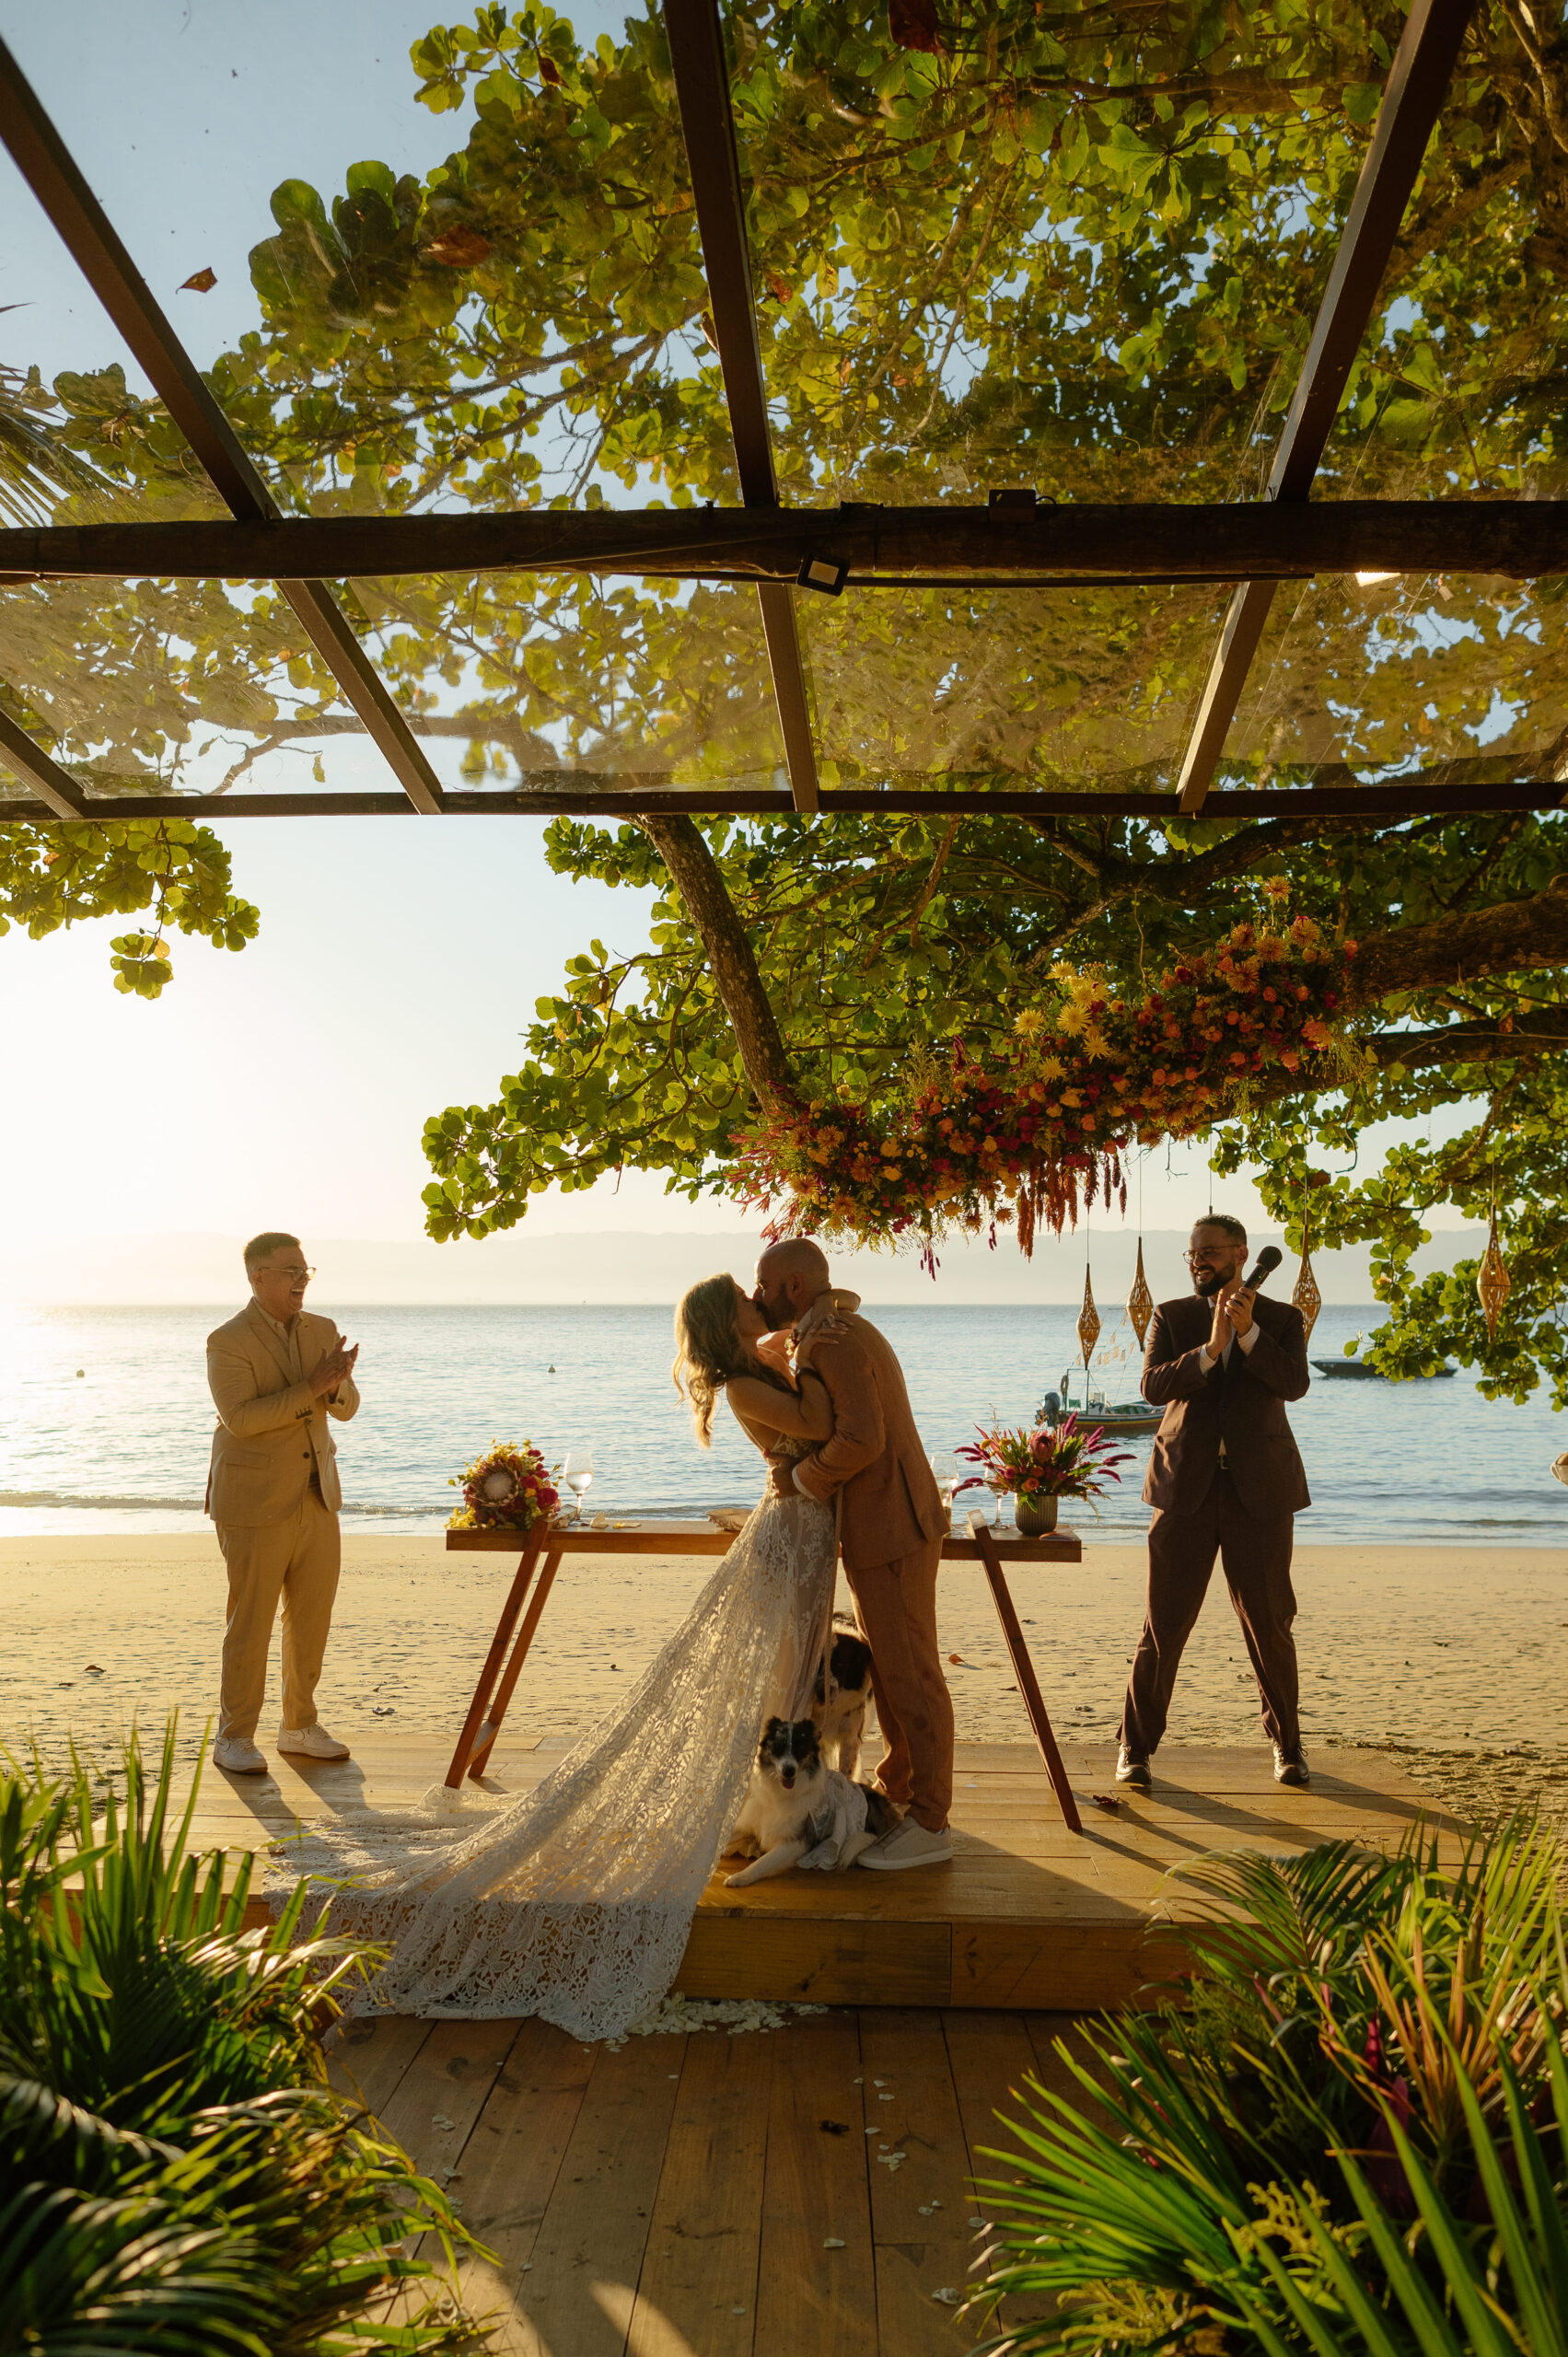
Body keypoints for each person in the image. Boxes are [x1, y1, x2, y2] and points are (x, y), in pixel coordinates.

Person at [309, 1275, 842, 2043]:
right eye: (743, 1296)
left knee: (789, 1678)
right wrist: (819, 1343)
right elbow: (821, 1422)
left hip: (804, 1527)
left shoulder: (760, 1365)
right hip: (790, 1534)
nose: (756, 1298)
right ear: (725, 1320)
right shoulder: (742, 1385)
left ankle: (777, 1817)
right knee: (780, 1678)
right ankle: (777, 1822)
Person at [755, 1237, 955, 1868]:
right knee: (893, 1673)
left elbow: (863, 1439)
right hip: (889, 1523)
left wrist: (798, 1479)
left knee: (911, 1676)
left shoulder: (832, 1341)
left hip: (891, 1525)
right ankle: (899, 1789)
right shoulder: (835, 1328)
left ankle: (931, 1821)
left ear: (793, 1286)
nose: (758, 1297)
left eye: (764, 1286)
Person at [1117, 1214, 1311, 1791]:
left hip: (1260, 1494)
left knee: (1270, 1625)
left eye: (1209, 1252)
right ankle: (1134, 1750)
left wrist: (1249, 1336)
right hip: (1184, 1491)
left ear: (1242, 1255)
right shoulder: (1171, 1316)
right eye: (1193, 1253)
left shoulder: (1282, 1319)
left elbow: (1294, 1384)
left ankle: (1288, 1748)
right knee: (1163, 1626)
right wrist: (1211, 1349)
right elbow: (1152, 1386)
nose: (1199, 1261)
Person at [206, 1234, 360, 1775]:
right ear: (258, 1277)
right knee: (250, 1623)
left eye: (305, 1270)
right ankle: (234, 1736)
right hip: (253, 1500)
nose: (301, 1280)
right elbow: (240, 1419)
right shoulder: (227, 1340)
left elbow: (347, 1408)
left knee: (312, 1618)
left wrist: (336, 1384)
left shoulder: (322, 1329)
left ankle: (298, 1725)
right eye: (290, 1270)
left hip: (318, 1494)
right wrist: (312, 1385)